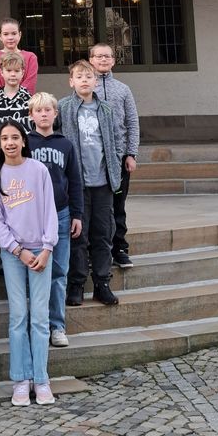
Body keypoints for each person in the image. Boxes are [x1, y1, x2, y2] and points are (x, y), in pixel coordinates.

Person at [0, 119, 58, 406]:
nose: (10, 143)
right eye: (5, 138)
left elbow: (50, 210)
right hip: (14, 255)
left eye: (15, 137)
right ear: (0, 143)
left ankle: (41, 379)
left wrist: (46, 247)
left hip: (41, 251)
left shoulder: (38, 170)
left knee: (40, 318)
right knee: (18, 317)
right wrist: (17, 250)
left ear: (24, 141)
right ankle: (20, 379)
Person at [59, 59, 122, 307]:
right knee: (78, 235)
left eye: (89, 76)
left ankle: (102, 283)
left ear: (96, 81)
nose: (85, 80)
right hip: (78, 185)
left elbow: (115, 140)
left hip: (103, 183)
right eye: (79, 76)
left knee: (103, 234)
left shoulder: (105, 109)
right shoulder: (64, 107)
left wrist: (115, 165)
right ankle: (76, 284)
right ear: (71, 81)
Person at [27, 92, 83, 348]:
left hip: (60, 213)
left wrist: (77, 214)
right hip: (33, 215)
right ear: (31, 116)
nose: (44, 114)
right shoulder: (26, 144)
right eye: (39, 111)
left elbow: (75, 181)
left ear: (55, 114)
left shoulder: (66, 145)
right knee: (34, 272)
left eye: (48, 110)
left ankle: (57, 325)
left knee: (59, 272)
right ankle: (36, 322)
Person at [89, 43, 141, 269]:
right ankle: (95, 250)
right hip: (94, 159)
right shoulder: (86, 87)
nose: (103, 60)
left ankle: (119, 248)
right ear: (91, 59)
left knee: (118, 206)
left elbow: (132, 123)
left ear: (113, 60)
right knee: (97, 207)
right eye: (98, 56)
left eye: (107, 56)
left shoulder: (123, 89)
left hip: (119, 158)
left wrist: (131, 153)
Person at [0, 51, 32, 136]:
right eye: (8, 70)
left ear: (22, 72)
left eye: (16, 71)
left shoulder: (30, 100)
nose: (13, 74)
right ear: (1, 72)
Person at [0, 18, 38, 95]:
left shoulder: (31, 57)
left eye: (14, 33)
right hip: (0, 103)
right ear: (0, 36)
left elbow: (30, 84)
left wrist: (16, 99)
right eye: (6, 34)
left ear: (20, 35)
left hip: (24, 102)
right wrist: (5, 99)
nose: (10, 37)